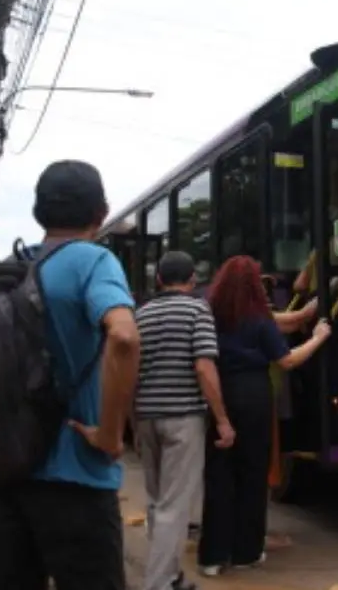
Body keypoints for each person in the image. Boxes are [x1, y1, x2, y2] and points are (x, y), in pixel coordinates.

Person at [0, 160, 141, 590]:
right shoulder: (94, 261)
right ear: (101, 212)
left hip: (7, 473)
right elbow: (124, 337)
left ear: (39, 211)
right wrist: (110, 434)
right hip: (77, 479)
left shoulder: (10, 269)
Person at [198, 255, 331, 578]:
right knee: (252, 473)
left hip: (219, 394)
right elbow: (287, 360)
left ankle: (213, 556)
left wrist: (304, 312)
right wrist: (318, 337)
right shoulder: (258, 320)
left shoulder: (209, 315)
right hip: (254, 396)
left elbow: (285, 320)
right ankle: (246, 551)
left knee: (219, 476)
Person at [134, 251, 229, 590]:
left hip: (145, 417)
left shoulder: (141, 314)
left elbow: (131, 371)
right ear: (192, 280)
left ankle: (171, 575)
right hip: (183, 418)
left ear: (159, 279)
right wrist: (222, 419)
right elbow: (204, 367)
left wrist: (131, 422)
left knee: (158, 501)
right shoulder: (197, 310)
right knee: (174, 507)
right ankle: (159, 583)